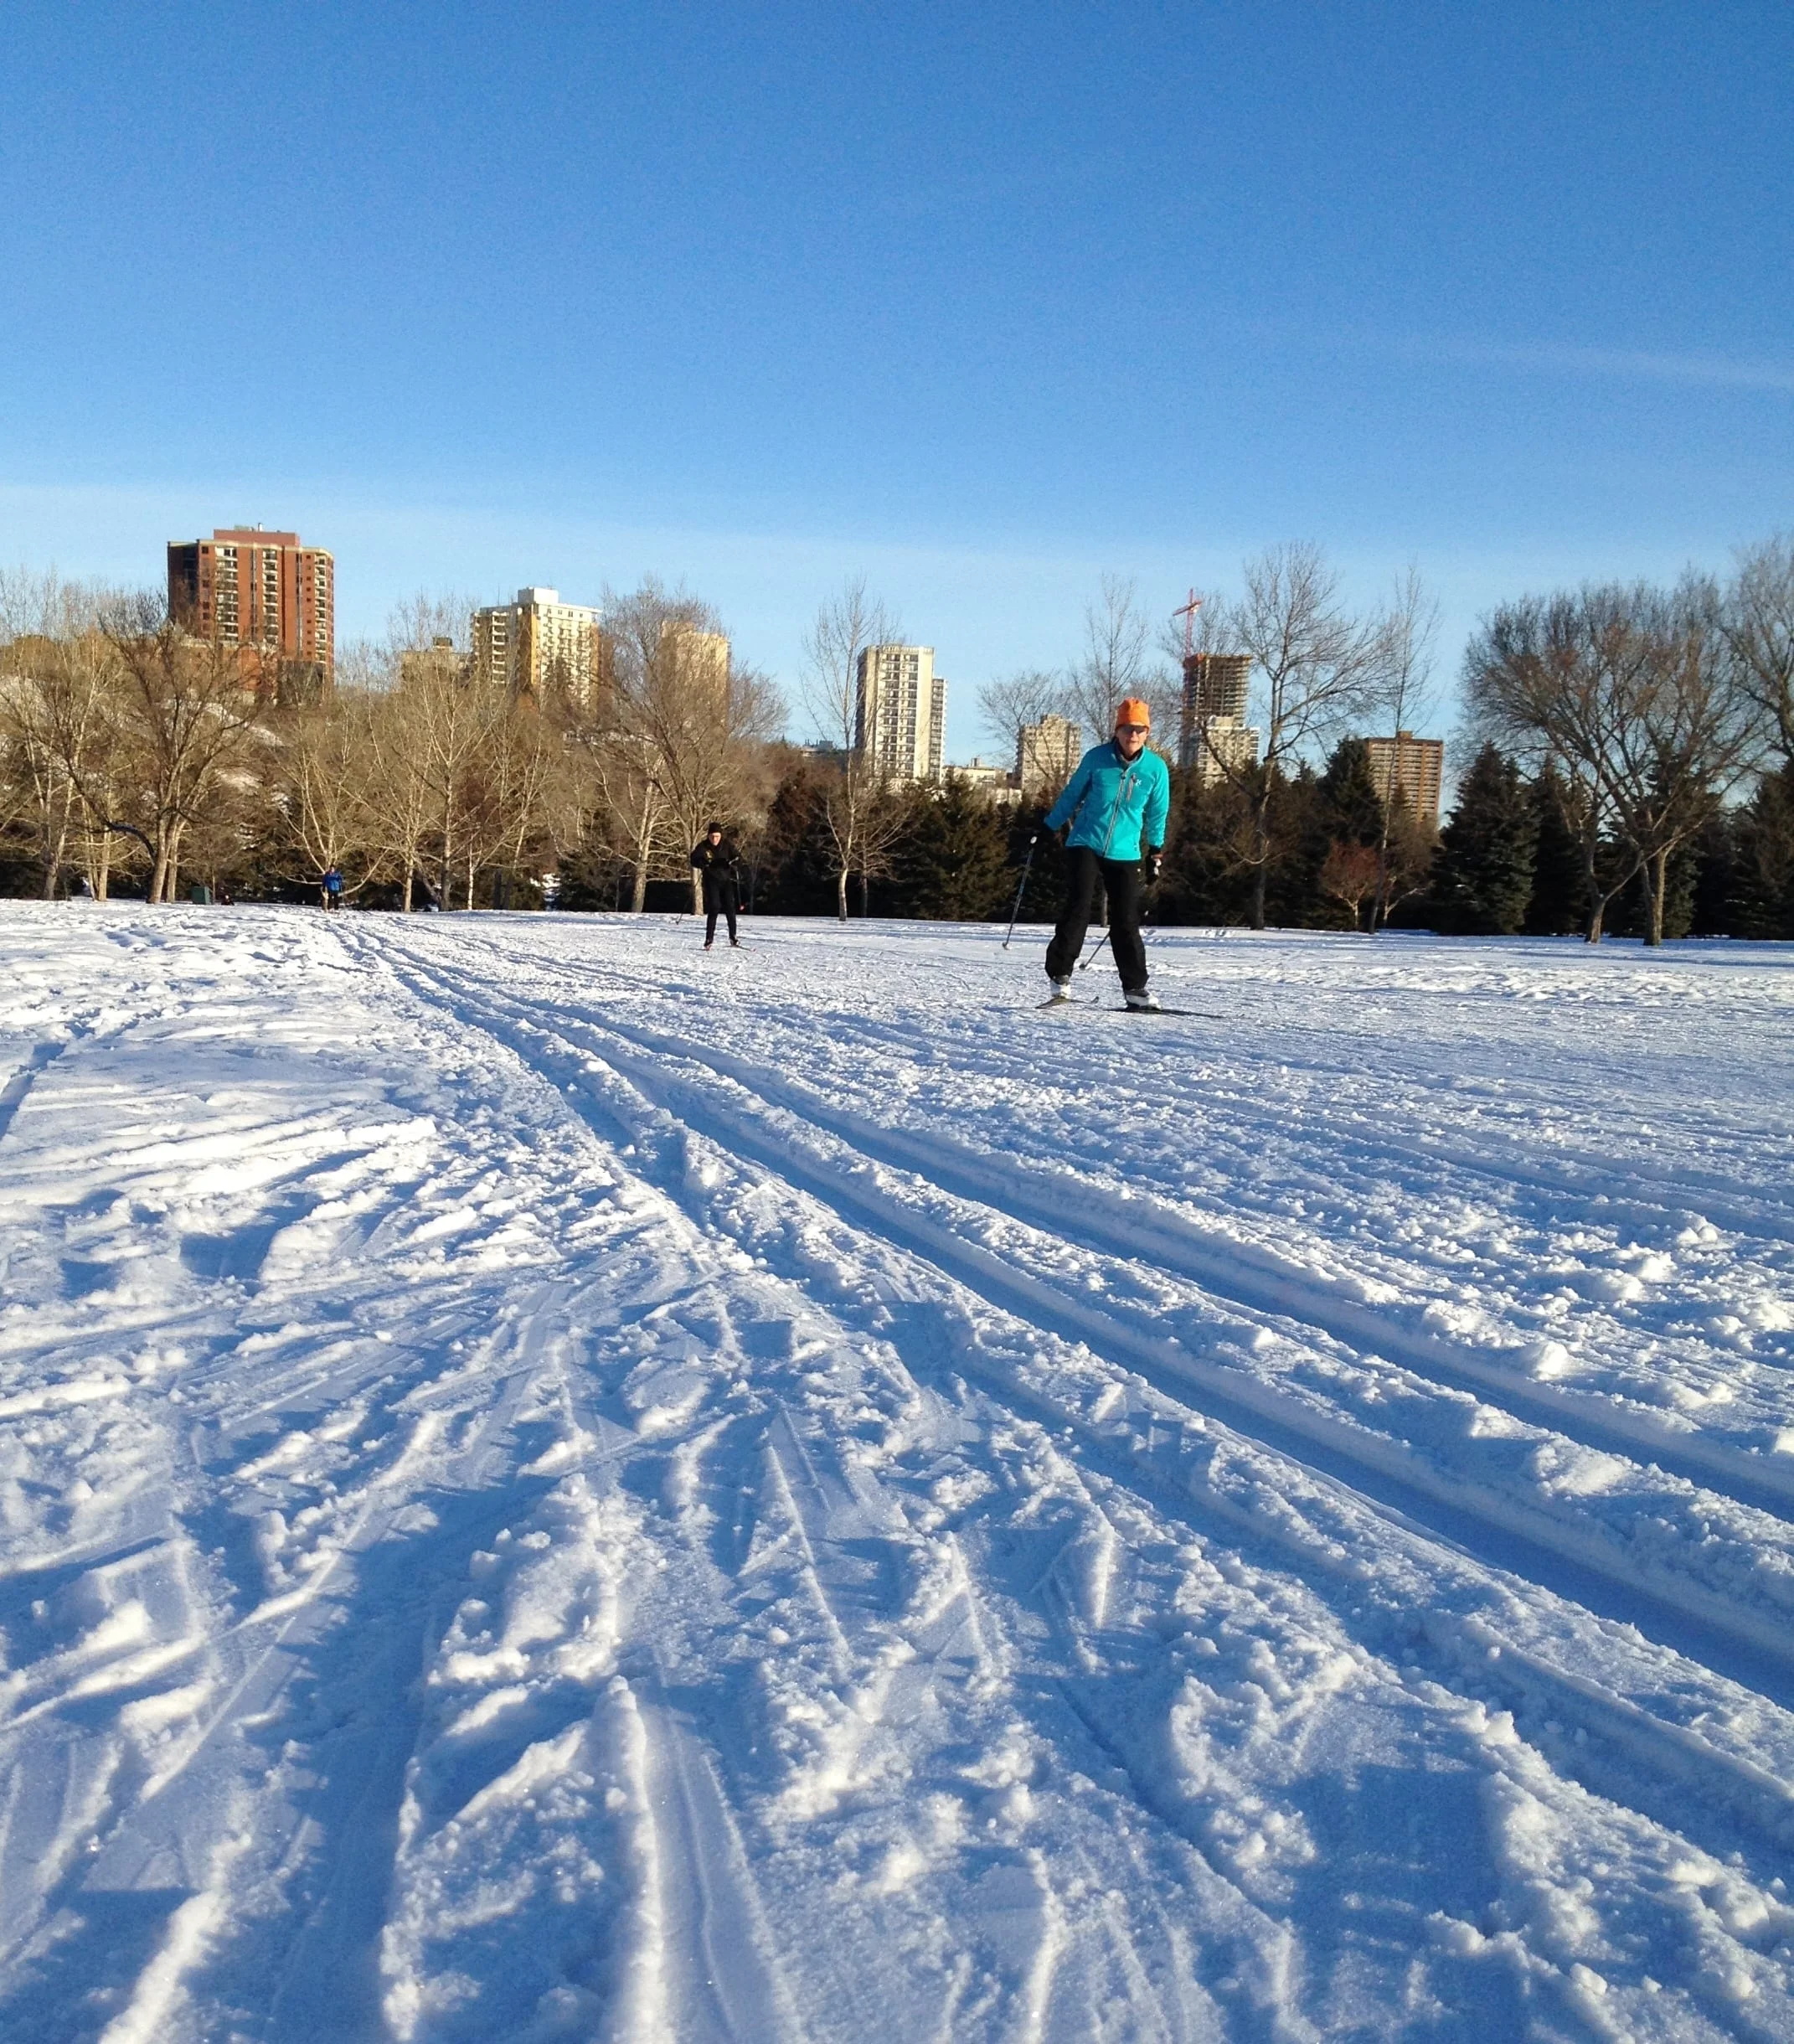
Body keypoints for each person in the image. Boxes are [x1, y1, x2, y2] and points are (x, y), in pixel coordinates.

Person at [1042, 697, 1170, 1010]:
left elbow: (1157, 813)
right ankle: (1060, 975)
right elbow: (1072, 794)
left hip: (1125, 850)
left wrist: (1155, 852)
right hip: (1086, 841)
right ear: (1118, 730)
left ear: (1147, 732)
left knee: (1125, 919)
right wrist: (1048, 826)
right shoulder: (1097, 759)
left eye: (1139, 729)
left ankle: (1135, 987)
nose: (1133, 735)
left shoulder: (1155, 769)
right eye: (1127, 729)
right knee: (1079, 907)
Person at [690, 823, 742, 948]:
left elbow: (738, 857)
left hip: (726, 880)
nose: (714, 839)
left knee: (730, 907)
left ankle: (733, 937)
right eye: (712, 836)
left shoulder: (727, 845)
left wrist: (733, 862)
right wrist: (702, 863)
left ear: (721, 836)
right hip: (711, 881)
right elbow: (693, 859)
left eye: (717, 836)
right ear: (708, 836)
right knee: (714, 907)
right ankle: (709, 938)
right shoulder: (703, 846)